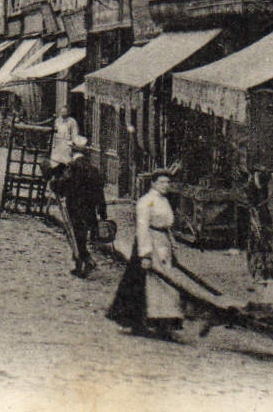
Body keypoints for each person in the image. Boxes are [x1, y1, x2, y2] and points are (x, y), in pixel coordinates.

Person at [108, 167, 184, 340]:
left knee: (165, 284)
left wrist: (173, 245)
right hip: (150, 243)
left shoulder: (164, 200)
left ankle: (164, 323)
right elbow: (142, 228)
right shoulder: (147, 201)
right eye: (161, 182)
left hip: (163, 243)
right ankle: (144, 322)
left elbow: (166, 226)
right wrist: (146, 254)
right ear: (153, 183)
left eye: (168, 182)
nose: (166, 185)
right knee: (150, 284)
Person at [46, 136, 107, 277]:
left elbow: (62, 187)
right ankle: (80, 264)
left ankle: (85, 261)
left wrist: (54, 184)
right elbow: (100, 193)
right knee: (81, 236)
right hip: (90, 209)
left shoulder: (72, 168)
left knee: (75, 236)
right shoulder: (94, 170)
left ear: (72, 152)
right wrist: (103, 213)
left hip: (75, 208)